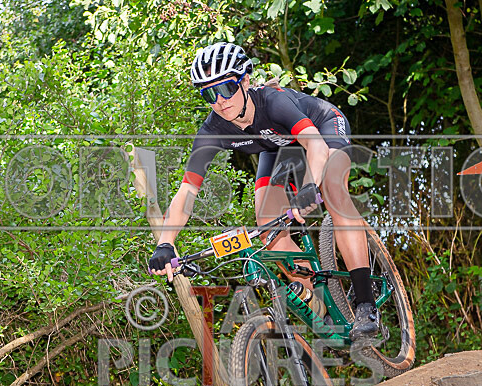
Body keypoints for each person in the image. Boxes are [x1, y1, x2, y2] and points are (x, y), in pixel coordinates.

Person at [148, 42, 379, 342]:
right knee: (268, 229)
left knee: (333, 188)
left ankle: (365, 300)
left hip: (320, 129)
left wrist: (310, 186)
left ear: (244, 81)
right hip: (279, 149)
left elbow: (315, 145)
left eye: (226, 89)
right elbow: (187, 191)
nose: (219, 101)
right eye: (209, 94)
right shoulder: (213, 129)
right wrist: (165, 243)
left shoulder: (272, 101)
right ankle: (326, 305)